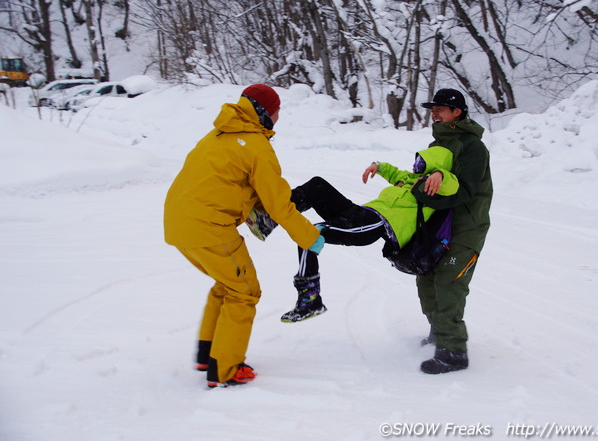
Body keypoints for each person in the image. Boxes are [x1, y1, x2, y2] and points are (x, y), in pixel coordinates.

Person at [163, 84, 324, 388]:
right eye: (277, 111)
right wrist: (310, 239)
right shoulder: (256, 147)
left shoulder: (218, 134)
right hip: (208, 226)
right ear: (266, 112)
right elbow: (280, 207)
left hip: (178, 223)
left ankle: (208, 354)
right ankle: (225, 369)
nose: (279, 117)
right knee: (245, 291)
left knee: (227, 284)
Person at [278, 144, 460, 323]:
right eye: (417, 161)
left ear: (434, 163)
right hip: (361, 212)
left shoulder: (435, 187)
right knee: (316, 185)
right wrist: (378, 166)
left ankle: (310, 300)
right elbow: (393, 172)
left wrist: (439, 174)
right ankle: (271, 214)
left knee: (310, 233)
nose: (416, 166)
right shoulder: (410, 178)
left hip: (377, 224)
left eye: (422, 163)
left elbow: (451, 186)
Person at [412, 88, 493, 374]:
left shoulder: (472, 146)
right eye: (433, 108)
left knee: (449, 283)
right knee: (427, 278)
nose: (435, 112)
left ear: (457, 112)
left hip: (466, 227)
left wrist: (423, 192)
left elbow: (466, 190)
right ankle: (439, 330)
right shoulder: (440, 143)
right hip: (440, 225)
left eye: (441, 108)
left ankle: (453, 352)